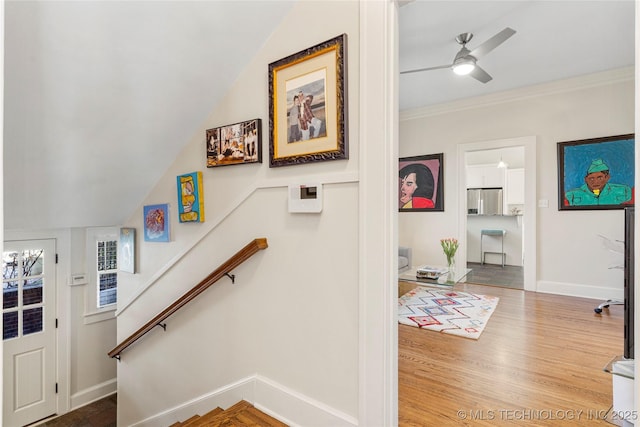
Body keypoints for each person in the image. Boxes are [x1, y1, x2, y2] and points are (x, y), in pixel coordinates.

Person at [564, 158, 633, 206]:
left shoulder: (623, 191)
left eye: (599, 178)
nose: (595, 182)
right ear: (586, 179)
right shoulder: (573, 195)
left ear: (607, 177)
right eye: (591, 178)